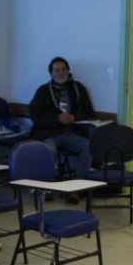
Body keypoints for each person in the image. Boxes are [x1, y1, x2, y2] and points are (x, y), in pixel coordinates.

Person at [29, 57, 95, 202]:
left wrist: (74, 116)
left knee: (89, 147)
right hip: (49, 133)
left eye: (63, 69)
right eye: (56, 70)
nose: (60, 73)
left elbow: (89, 112)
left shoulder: (78, 88)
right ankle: (48, 187)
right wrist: (56, 118)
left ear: (68, 71)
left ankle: (77, 187)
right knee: (49, 150)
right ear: (51, 73)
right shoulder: (43, 91)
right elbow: (34, 114)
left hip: (72, 133)